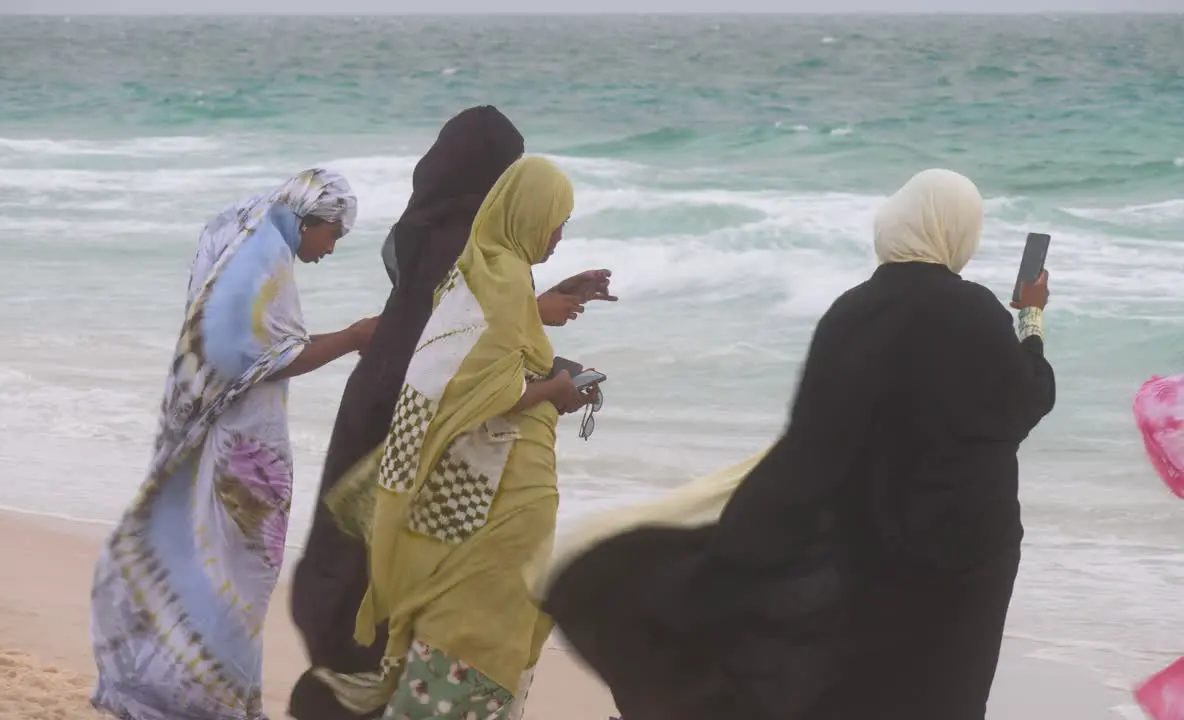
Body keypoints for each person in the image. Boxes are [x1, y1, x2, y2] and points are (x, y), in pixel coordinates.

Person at [541, 168, 1056, 720]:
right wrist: (1031, 314)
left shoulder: (850, 312)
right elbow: (1026, 401)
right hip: (962, 559)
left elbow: (814, 436)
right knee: (944, 694)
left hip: (865, 551)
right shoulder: (974, 311)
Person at [288, 107, 614, 720]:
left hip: (380, 401)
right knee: (402, 581)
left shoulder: (433, 229)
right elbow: (470, 345)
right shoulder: (466, 246)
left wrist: (543, 304)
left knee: (361, 562)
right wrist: (550, 378)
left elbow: (465, 325)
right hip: (412, 422)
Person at [90, 169, 378, 720]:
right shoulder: (262, 259)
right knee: (233, 583)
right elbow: (258, 360)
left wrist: (351, 336)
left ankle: (206, 696)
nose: (332, 248)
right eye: (334, 234)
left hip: (233, 440)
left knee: (217, 576)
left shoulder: (251, 241)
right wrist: (354, 337)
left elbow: (252, 352)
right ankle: (207, 704)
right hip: (238, 449)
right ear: (309, 218)